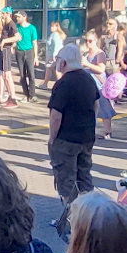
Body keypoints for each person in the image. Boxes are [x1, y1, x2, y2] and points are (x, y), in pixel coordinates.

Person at [48, 44, 100, 238]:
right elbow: (96, 105)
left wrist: (52, 138)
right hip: (86, 137)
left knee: (66, 180)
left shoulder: (63, 84)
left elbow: (55, 116)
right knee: (84, 177)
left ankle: (70, 221)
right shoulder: (88, 79)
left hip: (66, 139)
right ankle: (89, 217)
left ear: (63, 62)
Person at [14, 10, 39, 98]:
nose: (17, 19)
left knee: (31, 74)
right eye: (17, 17)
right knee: (22, 75)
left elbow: (34, 43)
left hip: (29, 51)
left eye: (19, 17)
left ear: (24, 17)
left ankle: (32, 95)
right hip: (19, 52)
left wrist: (36, 57)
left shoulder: (32, 28)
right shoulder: (16, 27)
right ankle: (26, 94)